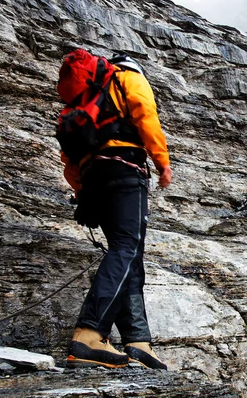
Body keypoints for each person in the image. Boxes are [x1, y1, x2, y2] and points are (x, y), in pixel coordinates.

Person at [59, 50, 171, 370]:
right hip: (125, 171)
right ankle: (90, 333)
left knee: (127, 253)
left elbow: (69, 155)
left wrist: (82, 191)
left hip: (93, 180)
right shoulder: (128, 79)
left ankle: (138, 341)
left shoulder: (86, 97)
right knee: (126, 249)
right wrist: (161, 161)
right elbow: (145, 113)